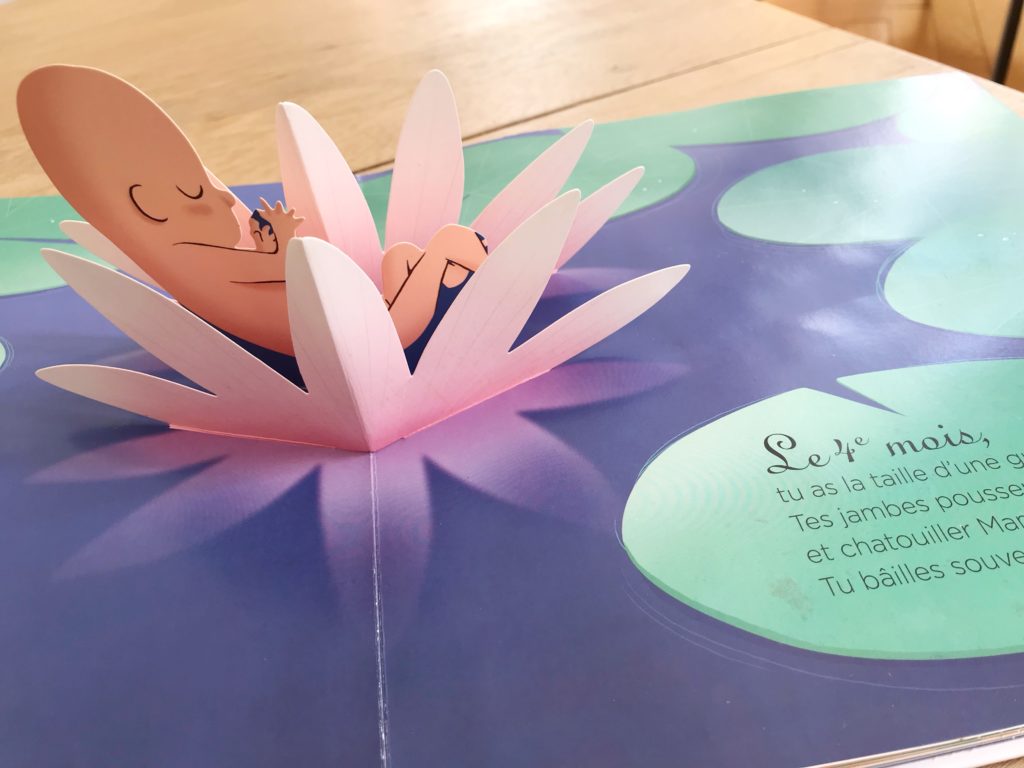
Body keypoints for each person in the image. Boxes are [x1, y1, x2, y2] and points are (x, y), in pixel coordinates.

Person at [17, 64, 490, 370]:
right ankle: (480, 273)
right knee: (443, 245)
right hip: (371, 337)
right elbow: (289, 269)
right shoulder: (199, 262)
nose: (228, 201)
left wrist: (269, 247)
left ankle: (451, 278)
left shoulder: (200, 261)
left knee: (401, 255)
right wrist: (280, 240)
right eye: (196, 193)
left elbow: (269, 277)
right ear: (151, 208)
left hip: (361, 317)